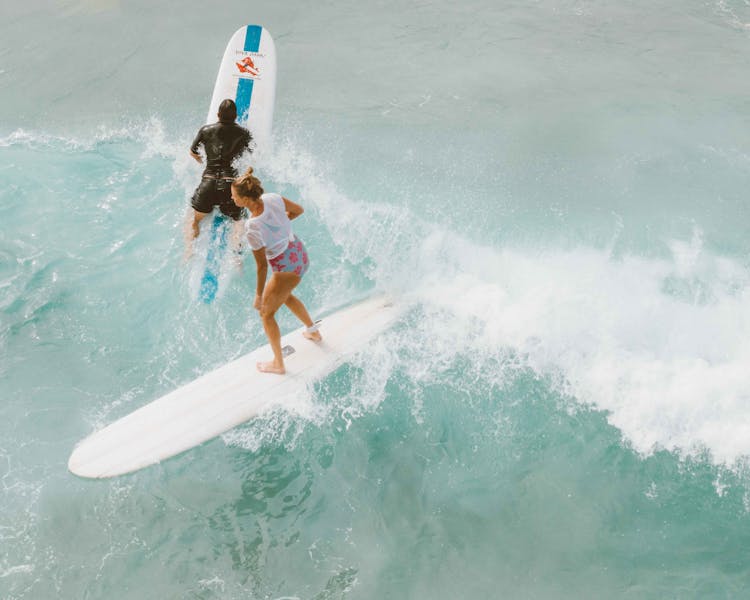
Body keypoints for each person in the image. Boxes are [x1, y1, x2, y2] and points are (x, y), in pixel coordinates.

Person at [231, 167, 321, 374]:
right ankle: (313, 332)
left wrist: (258, 295)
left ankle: (278, 364)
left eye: (234, 196)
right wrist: (279, 226)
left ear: (245, 198)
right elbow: (298, 210)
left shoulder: (252, 226)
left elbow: (262, 266)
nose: (232, 198)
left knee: (266, 313)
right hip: (299, 254)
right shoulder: (272, 198)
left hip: (285, 268)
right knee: (284, 296)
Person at [185, 98, 252, 251]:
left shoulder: (205, 130)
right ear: (235, 116)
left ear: (218, 114)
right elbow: (252, 153)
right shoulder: (243, 133)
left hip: (208, 183)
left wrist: (201, 160)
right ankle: (236, 256)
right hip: (230, 187)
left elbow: (193, 152)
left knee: (194, 220)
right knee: (238, 221)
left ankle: (188, 252)